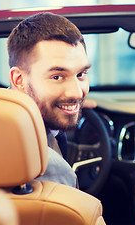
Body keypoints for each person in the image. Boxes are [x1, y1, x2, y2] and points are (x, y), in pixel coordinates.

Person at [8, 12, 92, 188]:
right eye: (57, 77)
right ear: (19, 80)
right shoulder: (48, 167)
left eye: (81, 74)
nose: (77, 93)